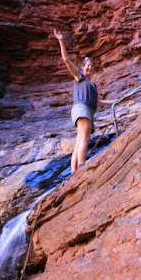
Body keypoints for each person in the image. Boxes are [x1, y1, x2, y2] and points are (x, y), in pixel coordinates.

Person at [53, 28, 115, 174]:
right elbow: (66, 60)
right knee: (85, 139)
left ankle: (74, 172)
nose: (90, 68)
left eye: (92, 66)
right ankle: (82, 167)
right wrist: (61, 41)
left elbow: (99, 102)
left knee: (79, 141)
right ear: (82, 67)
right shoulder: (79, 77)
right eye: (87, 65)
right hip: (82, 108)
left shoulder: (93, 85)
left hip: (86, 110)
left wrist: (115, 101)